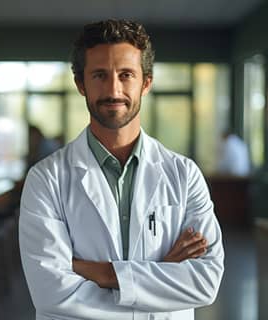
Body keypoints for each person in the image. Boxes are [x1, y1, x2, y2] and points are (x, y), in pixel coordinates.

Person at [19, 19, 224, 320]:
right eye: (99, 75)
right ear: (80, 84)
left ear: (146, 83)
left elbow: (205, 283)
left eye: (126, 75)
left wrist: (103, 273)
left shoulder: (184, 175)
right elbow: (52, 292)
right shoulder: (46, 179)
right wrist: (161, 273)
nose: (113, 90)